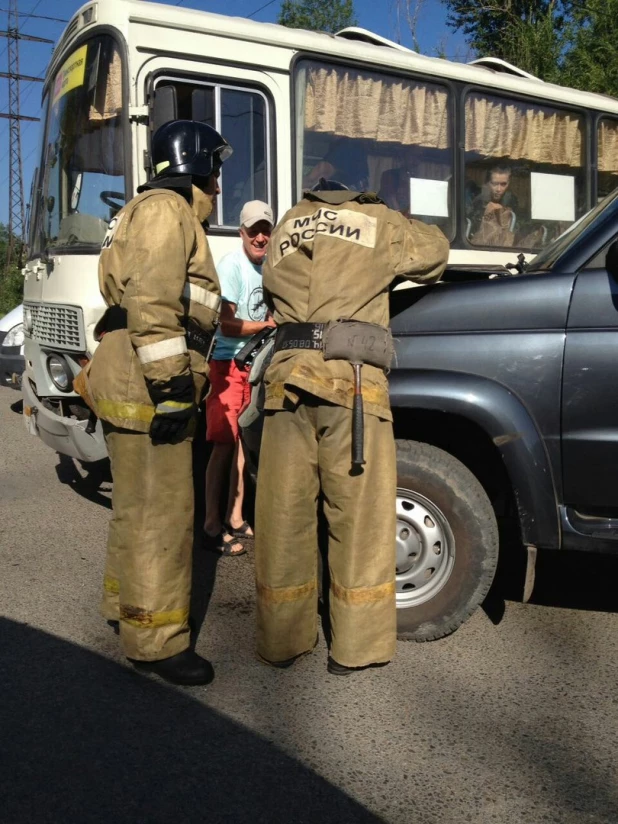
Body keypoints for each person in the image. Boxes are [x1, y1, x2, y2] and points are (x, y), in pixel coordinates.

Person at [254, 179, 449, 675]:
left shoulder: (285, 227)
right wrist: (389, 211)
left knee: (284, 516)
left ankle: (283, 639)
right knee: (358, 518)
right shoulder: (376, 222)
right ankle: (356, 647)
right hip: (351, 383)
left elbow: (272, 293)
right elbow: (436, 252)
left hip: (285, 380)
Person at [85, 120, 232, 686]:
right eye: (216, 172)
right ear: (197, 165)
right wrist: (173, 391)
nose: (218, 187)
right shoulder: (168, 212)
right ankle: (156, 639)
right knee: (163, 516)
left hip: (127, 376)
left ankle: (124, 607)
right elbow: (152, 306)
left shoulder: (140, 210)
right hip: (150, 384)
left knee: (134, 507)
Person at [204, 201, 276, 556]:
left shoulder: (271, 268)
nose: (260, 237)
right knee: (223, 445)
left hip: (254, 365)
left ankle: (235, 517)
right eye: (254, 231)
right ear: (242, 233)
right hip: (228, 365)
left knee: (242, 446)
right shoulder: (232, 266)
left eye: (266, 230)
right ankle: (211, 525)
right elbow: (226, 323)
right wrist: (265, 325)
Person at [467, 164, 518, 247]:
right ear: (487, 183)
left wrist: (505, 211)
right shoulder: (478, 201)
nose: (499, 189)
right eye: (494, 184)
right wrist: (484, 215)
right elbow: (469, 230)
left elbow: (518, 229)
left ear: (508, 184)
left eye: (503, 184)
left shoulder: (512, 200)